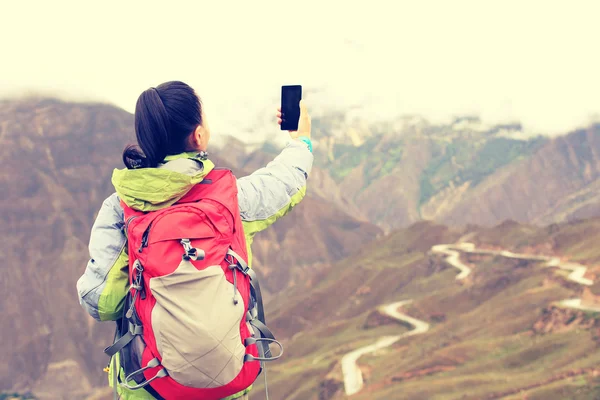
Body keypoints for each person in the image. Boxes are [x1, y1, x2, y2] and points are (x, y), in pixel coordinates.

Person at [76, 81, 313, 399]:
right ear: (199, 135)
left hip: (151, 385)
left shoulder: (120, 209)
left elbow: (101, 303)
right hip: (225, 383)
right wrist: (302, 141)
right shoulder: (232, 200)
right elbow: (288, 180)